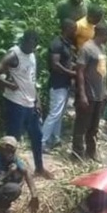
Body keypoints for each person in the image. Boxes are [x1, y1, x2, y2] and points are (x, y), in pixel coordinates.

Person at [0, 29, 53, 179]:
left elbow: (32, 80)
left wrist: (36, 99)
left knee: (37, 135)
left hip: (30, 103)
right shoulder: (13, 55)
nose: (31, 46)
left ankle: (39, 168)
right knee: (12, 141)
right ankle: (6, 172)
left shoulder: (32, 56)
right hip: (15, 102)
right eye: (29, 43)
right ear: (24, 41)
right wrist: (8, 84)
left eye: (34, 44)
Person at [72, 23, 107, 161]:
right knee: (81, 125)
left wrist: (105, 90)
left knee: (94, 127)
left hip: (99, 95)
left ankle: (91, 152)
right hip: (88, 94)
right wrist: (82, 94)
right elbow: (80, 71)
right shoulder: (87, 48)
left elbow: (103, 71)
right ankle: (77, 154)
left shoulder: (102, 48)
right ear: (102, 34)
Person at [42, 18, 77, 151]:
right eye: (73, 29)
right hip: (57, 83)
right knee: (54, 113)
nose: (75, 32)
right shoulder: (56, 44)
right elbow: (55, 65)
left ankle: (54, 138)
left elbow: (66, 60)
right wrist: (71, 73)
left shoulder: (66, 44)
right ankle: (42, 141)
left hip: (65, 83)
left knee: (60, 113)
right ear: (67, 29)